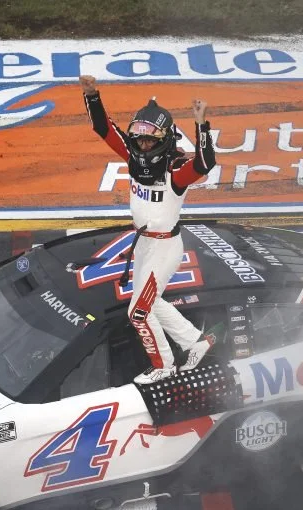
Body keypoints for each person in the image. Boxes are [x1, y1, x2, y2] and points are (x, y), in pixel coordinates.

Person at [79, 75, 218, 384]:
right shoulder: (132, 156)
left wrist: (201, 124)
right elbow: (103, 128)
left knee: (138, 312)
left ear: (164, 140)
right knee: (150, 304)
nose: (143, 145)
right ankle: (195, 341)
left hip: (164, 248)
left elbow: (205, 163)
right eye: (139, 139)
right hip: (143, 244)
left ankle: (163, 366)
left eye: (150, 141)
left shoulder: (175, 171)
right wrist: (92, 95)